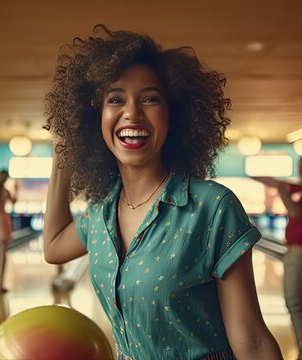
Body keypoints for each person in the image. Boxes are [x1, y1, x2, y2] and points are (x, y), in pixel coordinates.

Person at [42, 25, 282, 359]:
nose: (132, 112)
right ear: (94, 118)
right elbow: (53, 247)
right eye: (116, 99)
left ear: (175, 114)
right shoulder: (100, 215)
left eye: (150, 99)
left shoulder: (212, 207)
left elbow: (252, 341)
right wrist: (64, 152)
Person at [254, 155, 302, 360]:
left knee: (295, 301)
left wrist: (281, 191)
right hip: (297, 249)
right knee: (297, 301)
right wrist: (257, 174)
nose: (301, 169)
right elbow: (275, 182)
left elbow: (295, 211)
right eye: (299, 166)